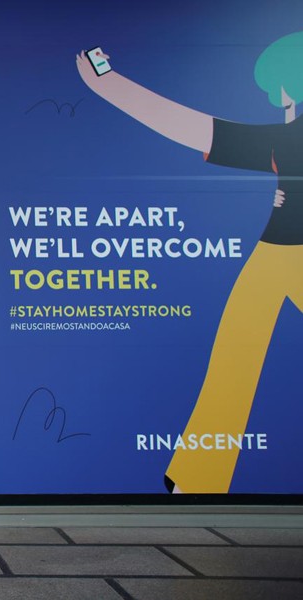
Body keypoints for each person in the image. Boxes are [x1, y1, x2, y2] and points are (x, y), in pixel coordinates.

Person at [76, 33, 303, 493]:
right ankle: (198, 477)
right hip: (277, 250)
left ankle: (198, 478)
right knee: (235, 353)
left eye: (279, 93)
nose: (278, 102)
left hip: (285, 252)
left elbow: (196, 129)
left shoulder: (291, 136)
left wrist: (108, 83)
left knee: (234, 356)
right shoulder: (289, 137)